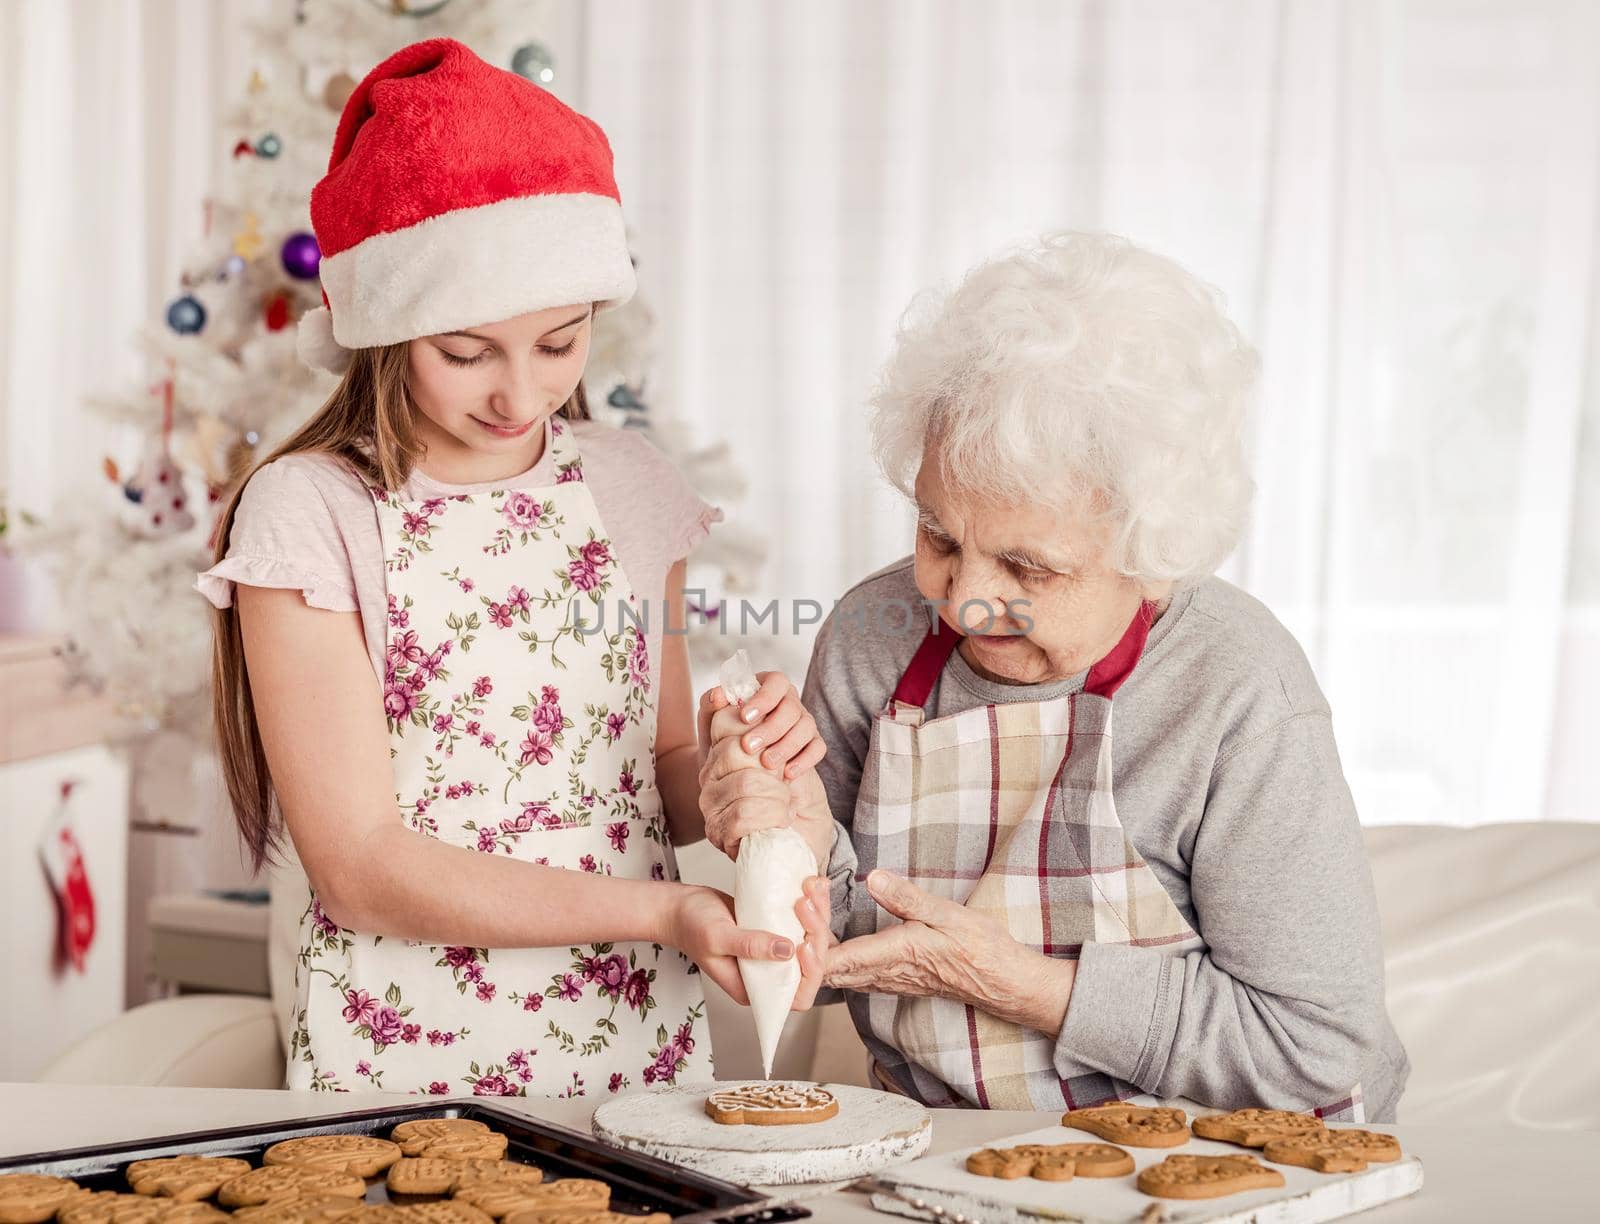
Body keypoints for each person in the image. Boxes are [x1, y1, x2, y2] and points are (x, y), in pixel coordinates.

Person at [200, 39, 822, 1097]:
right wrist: (662, 911)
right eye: (466, 351)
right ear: (384, 326)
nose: (520, 394)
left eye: (561, 341)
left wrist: (740, 775)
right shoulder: (309, 513)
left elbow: (657, 767)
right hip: (404, 1050)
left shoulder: (630, 486)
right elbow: (359, 869)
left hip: (629, 1044)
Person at [701, 233, 1409, 1121]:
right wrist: (795, 845)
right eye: (939, 537)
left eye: (1030, 570)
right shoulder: (870, 635)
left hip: (1211, 1169)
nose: (965, 603)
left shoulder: (1237, 688)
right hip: (946, 1157)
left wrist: (1026, 988)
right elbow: (841, 963)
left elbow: (1310, 1050)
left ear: (1152, 552)